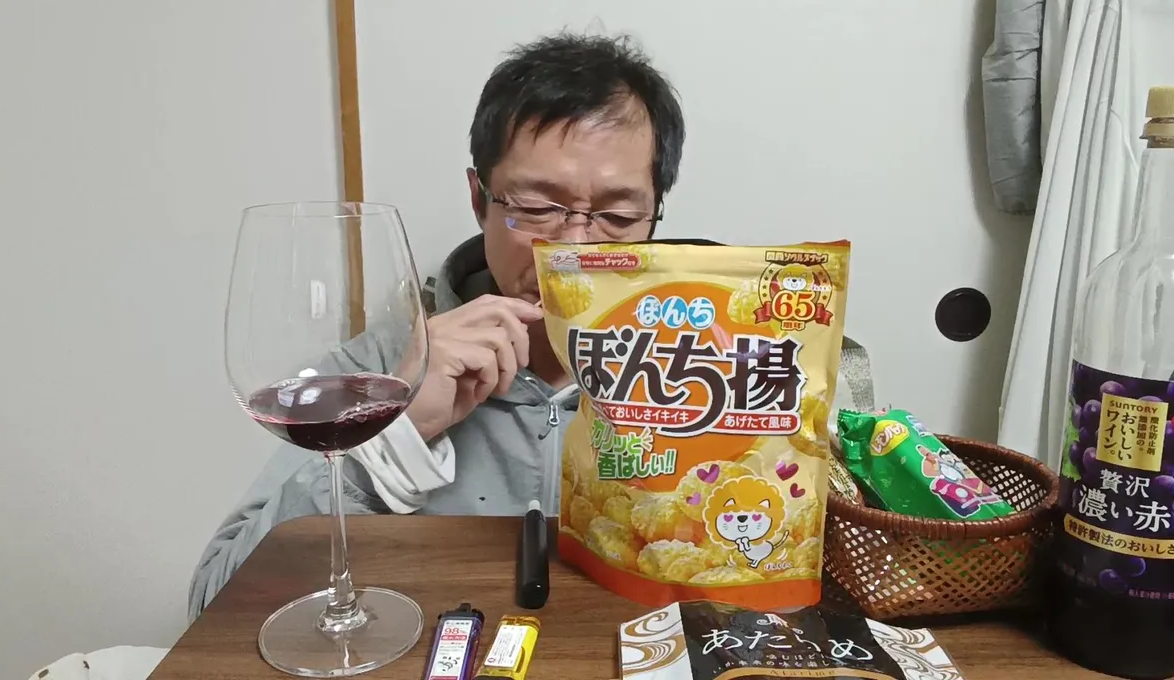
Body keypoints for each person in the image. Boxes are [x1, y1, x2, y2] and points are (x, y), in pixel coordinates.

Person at [188, 32, 874, 619]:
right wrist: (395, 434)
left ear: (655, 214)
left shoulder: (736, 365)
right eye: (538, 207)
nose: (573, 245)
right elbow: (214, 603)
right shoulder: (380, 370)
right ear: (478, 198)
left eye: (617, 215)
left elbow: (860, 583)